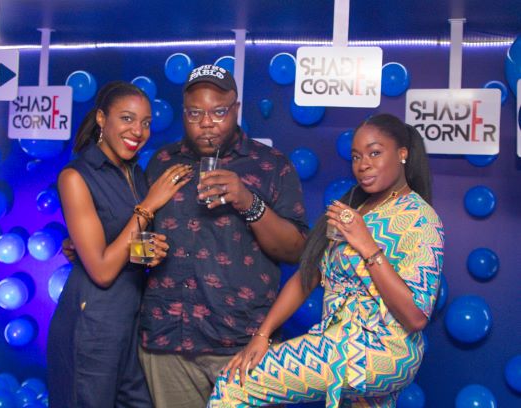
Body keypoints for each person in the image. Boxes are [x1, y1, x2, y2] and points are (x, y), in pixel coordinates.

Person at [208, 113, 445, 408]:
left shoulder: (420, 218)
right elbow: (307, 276)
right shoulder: (352, 207)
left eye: (375, 153)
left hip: (382, 349)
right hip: (340, 340)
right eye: (356, 157)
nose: (363, 164)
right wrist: (263, 335)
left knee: (234, 383)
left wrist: (366, 244)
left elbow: (416, 317)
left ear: (402, 154)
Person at [137, 65, 309, 408]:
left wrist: (248, 201)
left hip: (242, 344)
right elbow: (140, 238)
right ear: (184, 113)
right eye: (195, 113)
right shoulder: (162, 161)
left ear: (236, 109)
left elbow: (296, 250)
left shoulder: (271, 165)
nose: (206, 123)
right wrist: (141, 252)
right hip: (167, 340)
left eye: (218, 112)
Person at [47, 81, 192, 408]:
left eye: (146, 122)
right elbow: (101, 271)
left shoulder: (135, 173)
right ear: (102, 118)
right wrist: (149, 206)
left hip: (131, 323)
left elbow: (122, 245)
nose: (138, 131)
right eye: (127, 118)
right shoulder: (75, 176)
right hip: (92, 323)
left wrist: (148, 251)